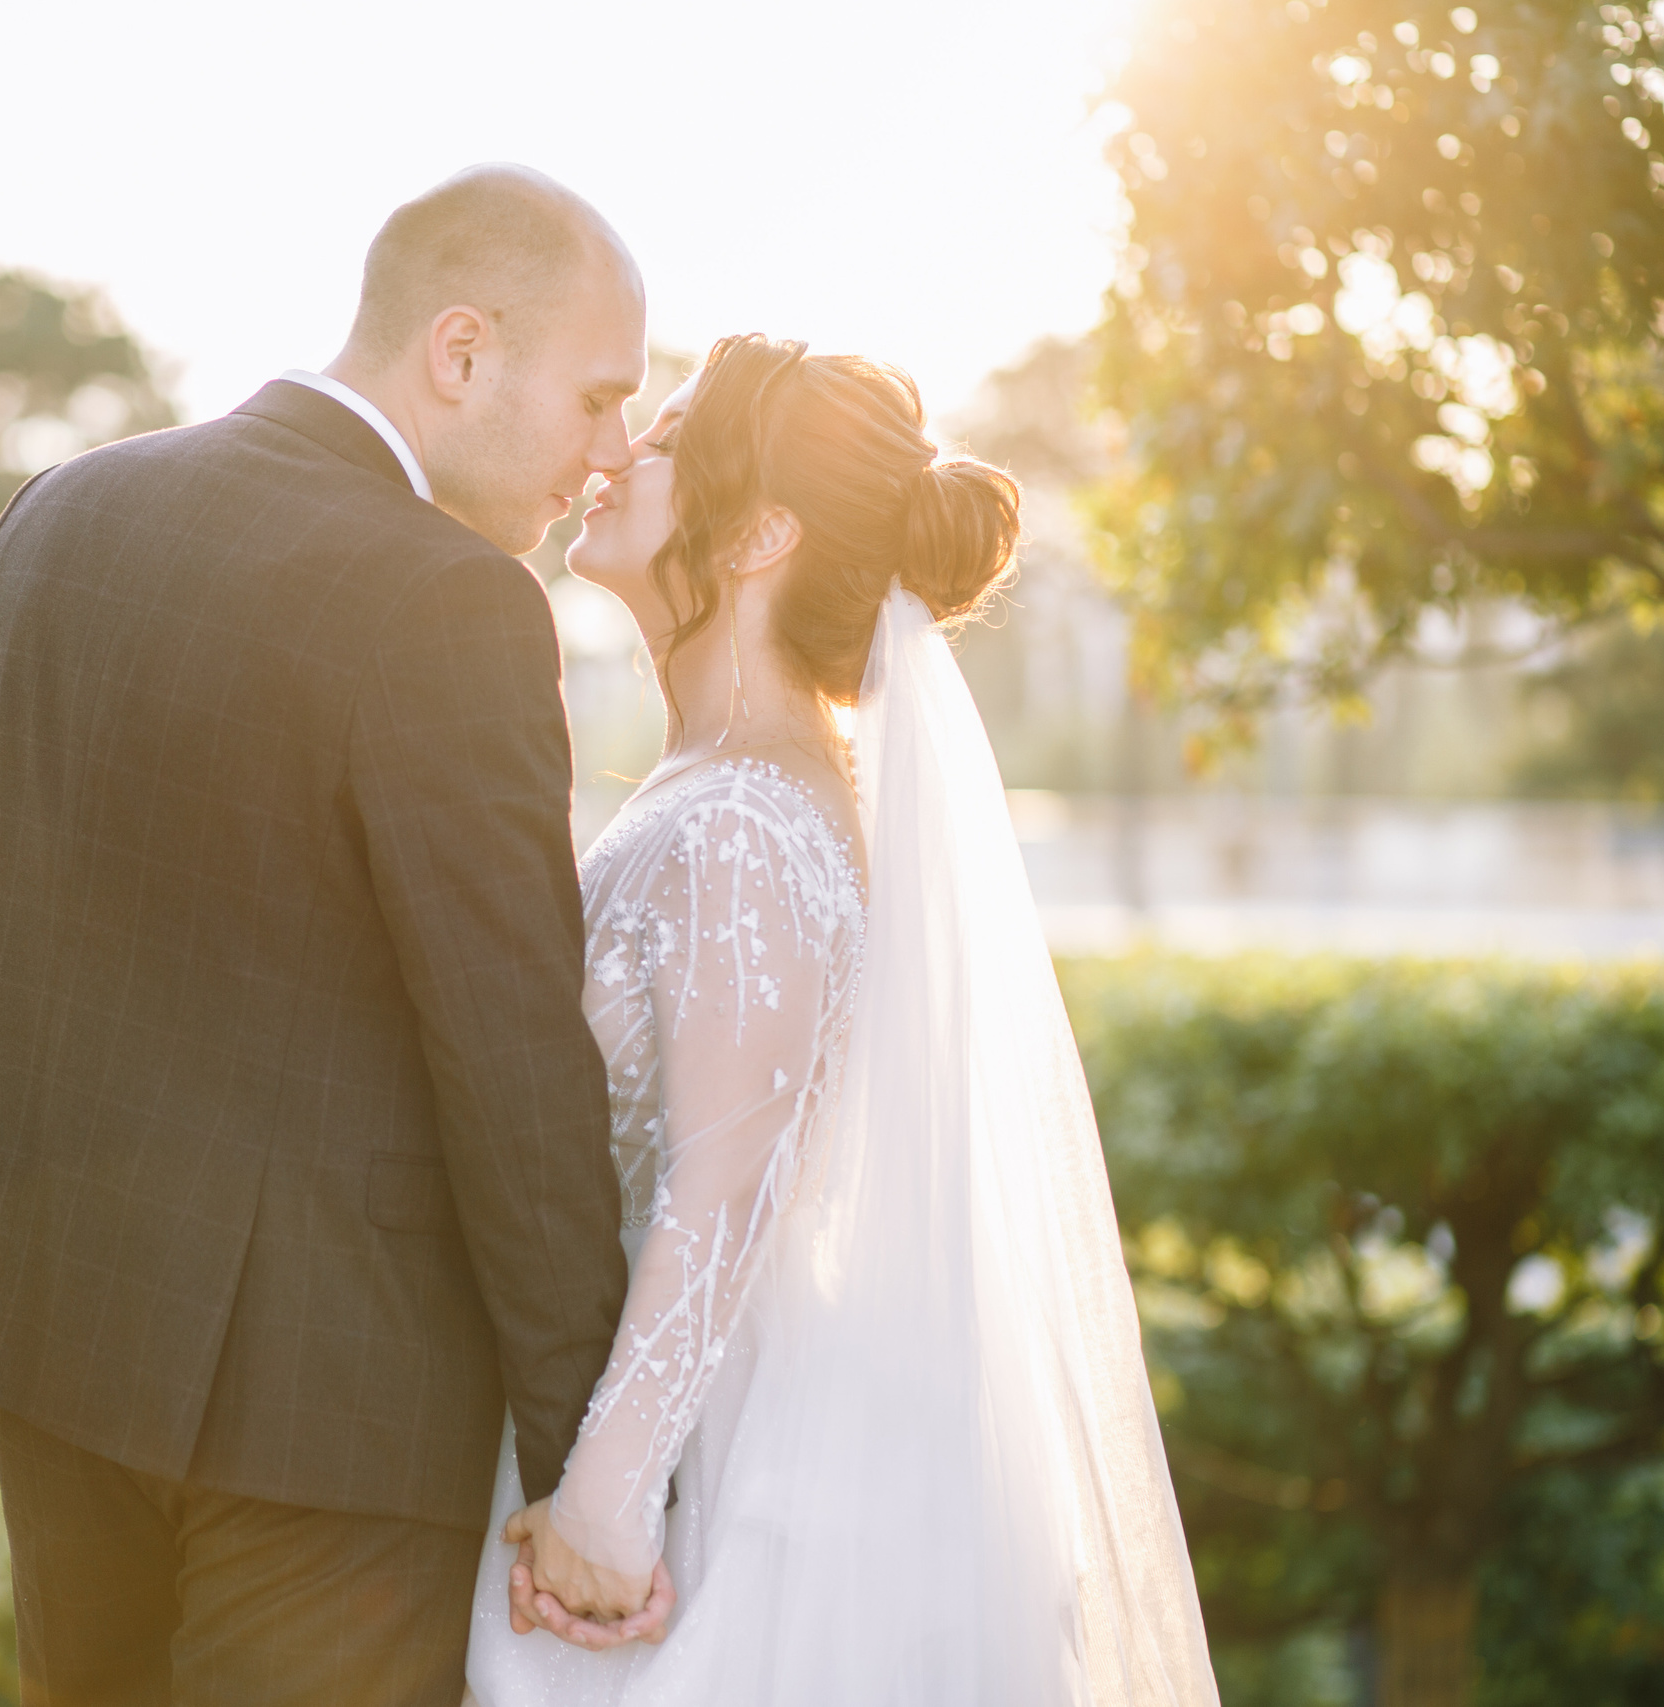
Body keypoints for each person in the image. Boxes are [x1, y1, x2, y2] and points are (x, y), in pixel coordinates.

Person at [0, 165, 658, 1707]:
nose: (610, 455)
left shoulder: (54, 516)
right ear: (461, 351)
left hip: (54, 1344)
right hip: (336, 1406)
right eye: (597, 399)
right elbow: (513, 1072)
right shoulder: (452, 601)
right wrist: (592, 1463)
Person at [464, 336, 1221, 1705]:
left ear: (758, 533)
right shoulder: (720, 784)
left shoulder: (747, 820)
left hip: (712, 1508)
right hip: (671, 1436)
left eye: (674, 430)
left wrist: (605, 1511)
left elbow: (724, 1184)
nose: (619, 448)